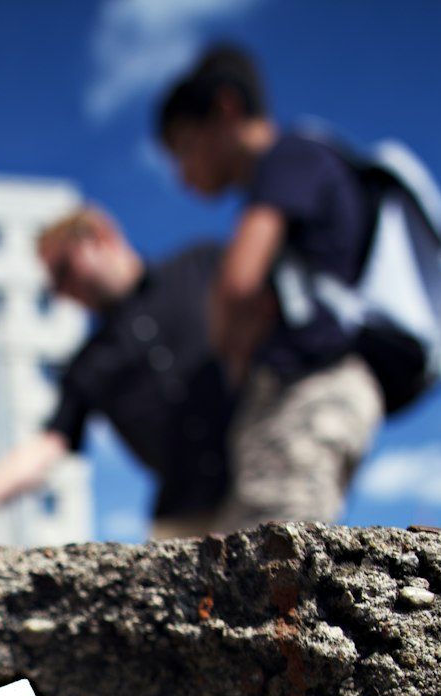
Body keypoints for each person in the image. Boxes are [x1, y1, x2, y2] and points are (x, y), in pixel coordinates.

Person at [154, 45, 385, 529]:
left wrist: (228, 352)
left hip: (308, 389)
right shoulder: (302, 166)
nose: (183, 174)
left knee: (273, 560)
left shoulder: (287, 158)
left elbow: (238, 281)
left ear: (226, 109)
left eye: (184, 147)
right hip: (314, 390)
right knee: (256, 560)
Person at [0, 206, 235, 540]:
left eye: (63, 270)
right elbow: (47, 445)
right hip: (184, 512)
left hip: (263, 471)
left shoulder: (201, 267)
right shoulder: (90, 361)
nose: (61, 291)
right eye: (53, 284)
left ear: (99, 236)